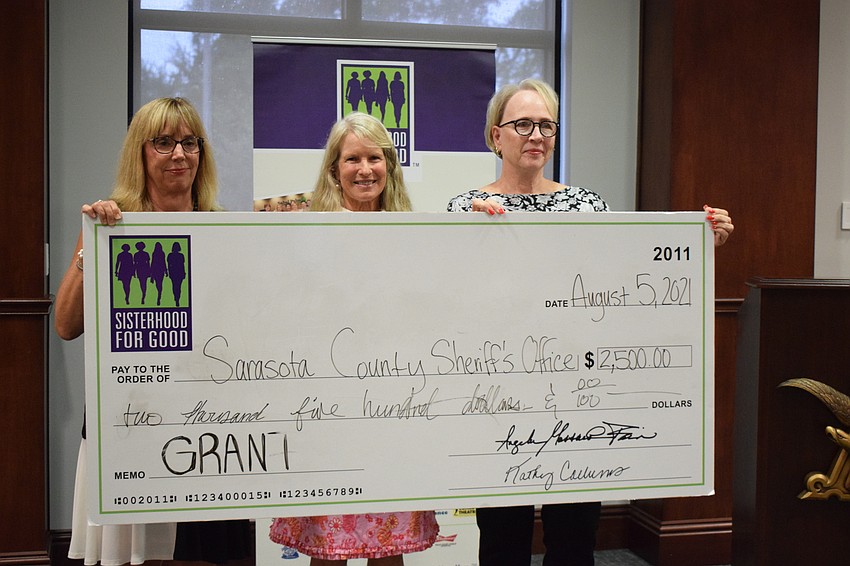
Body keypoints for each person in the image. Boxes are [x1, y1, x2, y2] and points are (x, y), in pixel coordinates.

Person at [447, 79, 734, 566]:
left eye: (546, 126)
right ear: (496, 135)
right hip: (498, 393)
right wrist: (465, 235)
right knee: (502, 536)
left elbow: (626, 281)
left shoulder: (587, 206)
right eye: (523, 124)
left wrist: (700, 242)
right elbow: (446, 297)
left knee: (575, 534)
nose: (536, 136)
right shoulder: (465, 209)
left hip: (579, 392)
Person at [55, 96, 252, 566]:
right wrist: (92, 249)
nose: (179, 154)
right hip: (131, 423)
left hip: (208, 429)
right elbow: (65, 325)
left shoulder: (224, 228)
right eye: (163, 142)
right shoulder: (111, 224)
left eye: (189, 142)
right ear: (139, 153)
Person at [268, 112, 438, 566]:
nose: (365, 169)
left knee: (389, 544)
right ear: (334, 169)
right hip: (328, 410)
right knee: (328, 545)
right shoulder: (305, 233)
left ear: (389, 166)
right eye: (352, 159)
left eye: (374, 158)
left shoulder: (416, 234)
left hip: (394, 408)